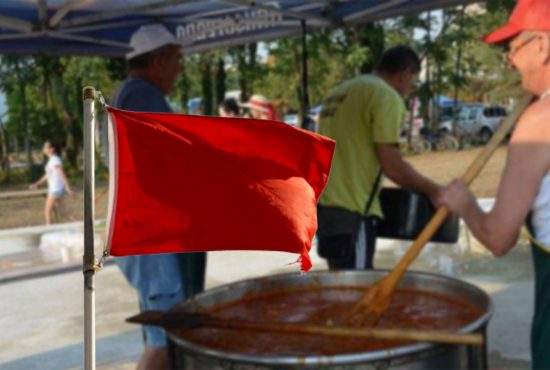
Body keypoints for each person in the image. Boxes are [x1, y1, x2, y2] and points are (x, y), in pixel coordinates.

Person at [437, 1, 550, 368]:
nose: (511, 62)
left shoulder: (539, 121)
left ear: (543, 45)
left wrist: (465, 203)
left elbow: (499, 238)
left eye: (512, 49)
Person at [112, 24, 206, 370]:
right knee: (164, 340)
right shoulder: (142, 95)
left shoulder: (128, 94)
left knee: (162, 330)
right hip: (152, 238)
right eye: (177, 60)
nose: (180, 69)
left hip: (142, 235)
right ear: (158, 60)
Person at [317, 45, 441, 270]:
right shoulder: (386, 96)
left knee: (339, 287)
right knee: (357, 291)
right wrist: (435, 191)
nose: (410, 89)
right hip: (353, 212)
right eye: (412, 82)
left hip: (325, 210)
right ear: (404, 73)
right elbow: (393, 167)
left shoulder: (339, 92)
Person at [29, 141, 74, 225]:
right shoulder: (52, 161)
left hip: (55, 189)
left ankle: (49, 230)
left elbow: (62, 174)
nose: (44, 149)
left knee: (47, 211)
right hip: (56, 189)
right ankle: (80, 226)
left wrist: (68, 188)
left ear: (51, 149)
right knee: (63, 212)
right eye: (44, 147)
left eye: (45, 147)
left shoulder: (55, 160)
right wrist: (37, 184)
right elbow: (47, 175)